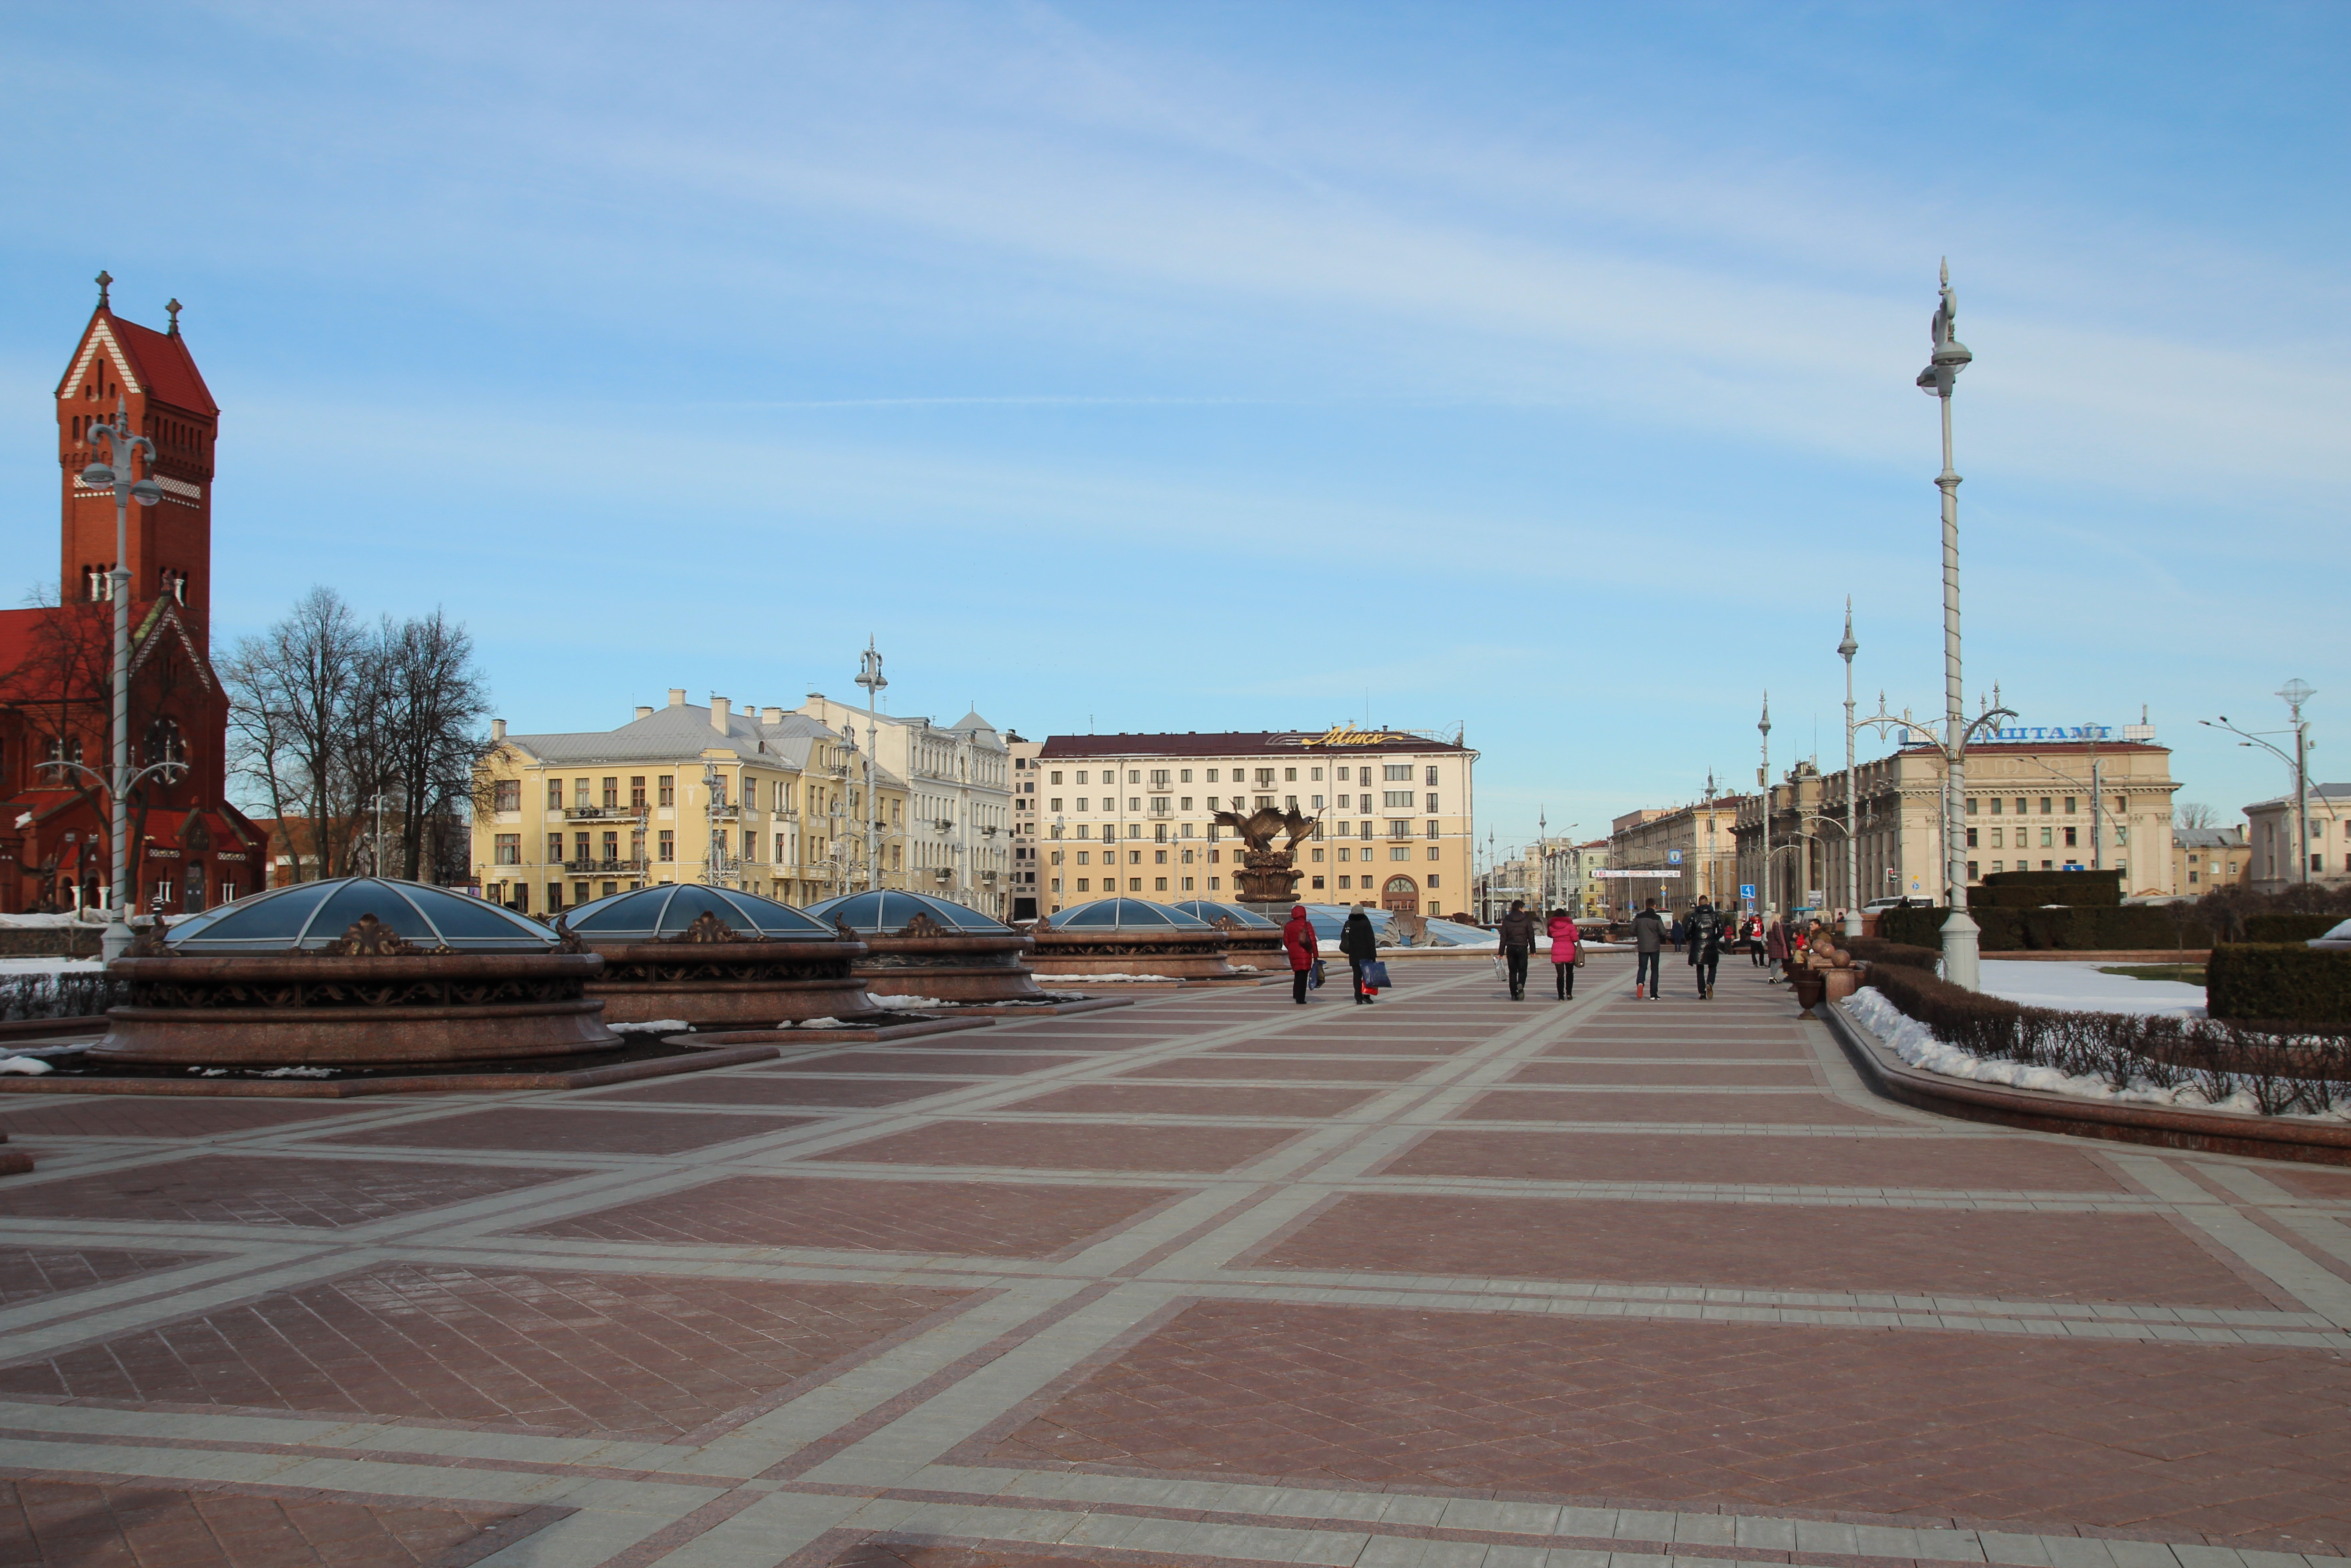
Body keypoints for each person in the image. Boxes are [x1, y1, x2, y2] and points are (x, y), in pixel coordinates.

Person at [1685, 896, 1725, 1000]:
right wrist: (1716, 937)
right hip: (1711, 944)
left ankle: (1702, 993)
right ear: (1708, 903)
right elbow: (1721, 930)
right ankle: (1710, 983)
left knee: (1700, 968)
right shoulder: (1715, 915)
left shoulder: (1694, 916)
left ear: (1699, 904)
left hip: (1698, 945)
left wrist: (1689, 939)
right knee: (1713, 966)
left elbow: (1687, 930)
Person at [1495, 899, 1536, 999]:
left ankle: (1514, 994)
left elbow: (1503, 937)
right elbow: (1531, 935)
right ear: (1521, 908)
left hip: (1511, 948)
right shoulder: (1526, 919)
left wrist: (1501, 952)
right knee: (1523, 970)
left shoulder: (1507, 919)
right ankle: (1521, 985)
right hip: (1522, 947)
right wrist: (1533, 950)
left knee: (1513, 972)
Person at [1339, 905, 1379, 1004]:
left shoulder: (1348, 924)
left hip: (1354, 954)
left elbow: (1344, 935)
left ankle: (1358, 998)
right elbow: (1371, 939)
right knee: (1368, 976)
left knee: (1357, 976)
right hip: (1366, 954)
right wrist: (1373, 956)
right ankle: (1366, 995)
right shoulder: (1365, 923)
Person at [1281, 905, 1317, 1004]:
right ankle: (1301, 998)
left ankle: (1296, 994)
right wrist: (1316, 955)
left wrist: (1292, 948)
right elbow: (1313, 940)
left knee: (1298, 974)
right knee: (1303, 975)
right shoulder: (1307, 925)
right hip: (1305, 952)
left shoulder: (1288, 925)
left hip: (1294, 951)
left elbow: (1286, 941)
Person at [1631, 898, 1666, 1000]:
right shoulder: (1657, 918)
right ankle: (1654, 994)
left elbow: (1631, 930)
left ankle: (1640, 983)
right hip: (1655, 946)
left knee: (1642, 967)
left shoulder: (1639, 917)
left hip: (1642, 946)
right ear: (1655, 906)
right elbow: (1663, 932)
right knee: (1655, 969)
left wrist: (1639, 934)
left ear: (1646, 906)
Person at [1546, 906, 1580, 998]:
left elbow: (1549, 935)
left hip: (1557, 950)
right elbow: (1575, 939)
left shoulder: (1552, 926)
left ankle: (1561, 995)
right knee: (1569, 973)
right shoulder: (1570, 926)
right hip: (1569, 951)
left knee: (1560, 975)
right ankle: (1569, 993)